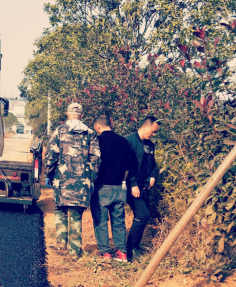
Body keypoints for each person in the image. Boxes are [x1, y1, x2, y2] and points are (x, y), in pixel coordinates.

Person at [45, 103, 101, 259]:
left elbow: (51, 155)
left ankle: (61, 243)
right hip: (82, 182)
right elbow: (95, 159)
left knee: (59, 208)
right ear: (82, 116)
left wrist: (48, 173)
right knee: (75, 214)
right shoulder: (90, 133)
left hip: (61, 180)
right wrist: (91, 179)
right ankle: (74, 251)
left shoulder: (59, 131)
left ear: (67, 114)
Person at [91, 114, 137, 262]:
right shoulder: (124, 142)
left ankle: (105, 253)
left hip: (102, 188)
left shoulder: (97, 141)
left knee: (101, 221)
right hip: (119, 187)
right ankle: (122, 253)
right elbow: (132, 163)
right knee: (119, 222)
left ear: (98, 126)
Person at [125, 116, 160, 260]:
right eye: (153, 131)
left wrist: (152, 176)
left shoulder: (150, 145)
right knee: (143, 215)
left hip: (144, 187)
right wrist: (133, 184)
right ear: (145, 127)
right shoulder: (128, 141)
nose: (153, 134)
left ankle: (134, 247)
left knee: (142, 216)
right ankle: (130, 248)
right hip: (131, 186)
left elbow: (153, 164)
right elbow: (126, 165)